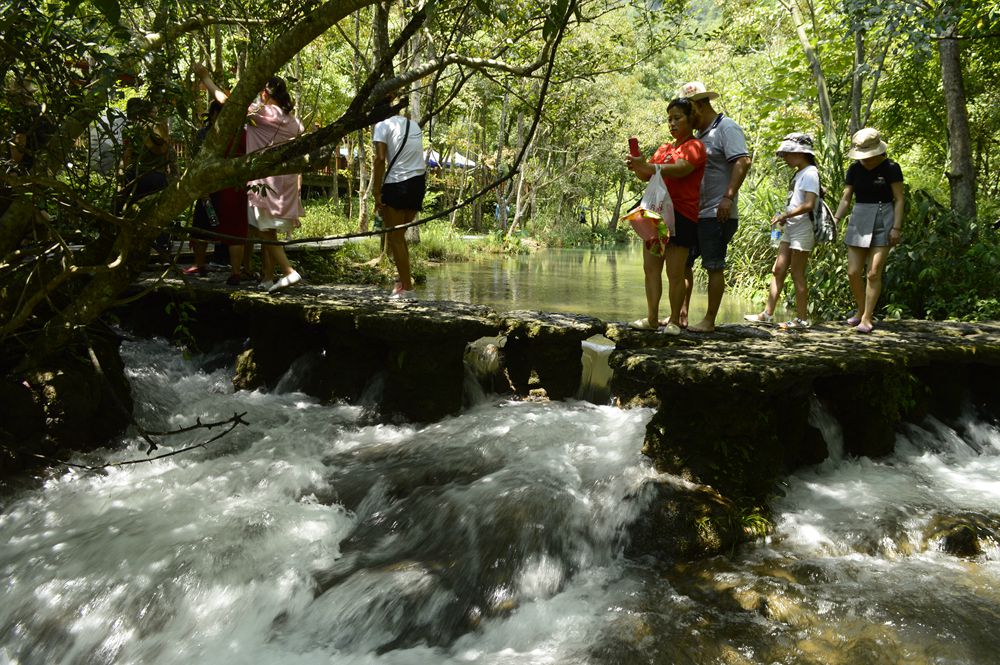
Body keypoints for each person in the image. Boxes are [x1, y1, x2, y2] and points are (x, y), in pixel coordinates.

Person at [195, 64, 304, 292]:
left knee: (265, 230)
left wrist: (206, 78)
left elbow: (228, 103)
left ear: (265, 93)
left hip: (267, 183)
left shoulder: (264, 113)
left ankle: (288, 271)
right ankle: (267, 277)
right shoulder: (291, 120)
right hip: (286, 182)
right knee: (264, 230)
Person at [625, 97, 706, 336]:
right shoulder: (664, 148)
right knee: (650, 268)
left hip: (682, 215)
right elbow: (646, 176)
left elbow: (682, 170)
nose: (672, 123)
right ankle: (651, 318)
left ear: (690, 119)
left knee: (675, 272)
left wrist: (650, 168)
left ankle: (672, 320)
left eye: (677, 118)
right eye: (669, 119)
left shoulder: (695, 146)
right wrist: (638, 165)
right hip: (655, 215)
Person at [678, 81, 752, 332]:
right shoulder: (700, 135)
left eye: (688, 112)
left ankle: (709, 320)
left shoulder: (726, 128)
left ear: (698, 106)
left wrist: (728, 197)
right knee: (684, 262)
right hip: (696, 212)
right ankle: (681, 316)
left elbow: (742, 161)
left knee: (713, 264)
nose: (687, 118)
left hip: (717, 212)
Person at [831, 128, 905, 333]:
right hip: (859, 217)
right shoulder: (854, 169)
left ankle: (867, 317)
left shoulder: (891, 167)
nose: (866, 159)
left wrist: (896, 227)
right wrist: (836, 218)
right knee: (853, 272)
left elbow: (899, 199)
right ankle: (860, 309)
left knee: (873, 273)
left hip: (885, 217)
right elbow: (846, 198)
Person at [744, 133, 819, 329]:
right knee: (778, 269)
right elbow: (797, 202)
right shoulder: (798, 173)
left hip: (803, 228)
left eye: (787, 154)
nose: (784, 158)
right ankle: (767, 314)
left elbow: (809, 204)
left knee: (797, 273)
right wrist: (785, 217)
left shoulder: (811, 173)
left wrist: (786, 215)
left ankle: (802, 319)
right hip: (791, 227)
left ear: (800, 154)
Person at [185, 100, 250, 285]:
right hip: (212, 187)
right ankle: (201, 264)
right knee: (202, 225)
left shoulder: (238, 133)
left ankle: (235, 271)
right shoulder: (207, 134)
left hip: (229, 188)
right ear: (212, 114)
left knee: (232, 229)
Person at [373, 96, 426, 299]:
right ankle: (402, 283)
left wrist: (376, 192)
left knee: (395, 238)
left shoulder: (382, 126)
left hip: (397, 185)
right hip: (418, 184)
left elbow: (379, 160)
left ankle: (408, 289)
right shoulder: (414, 126)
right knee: (399, 237)